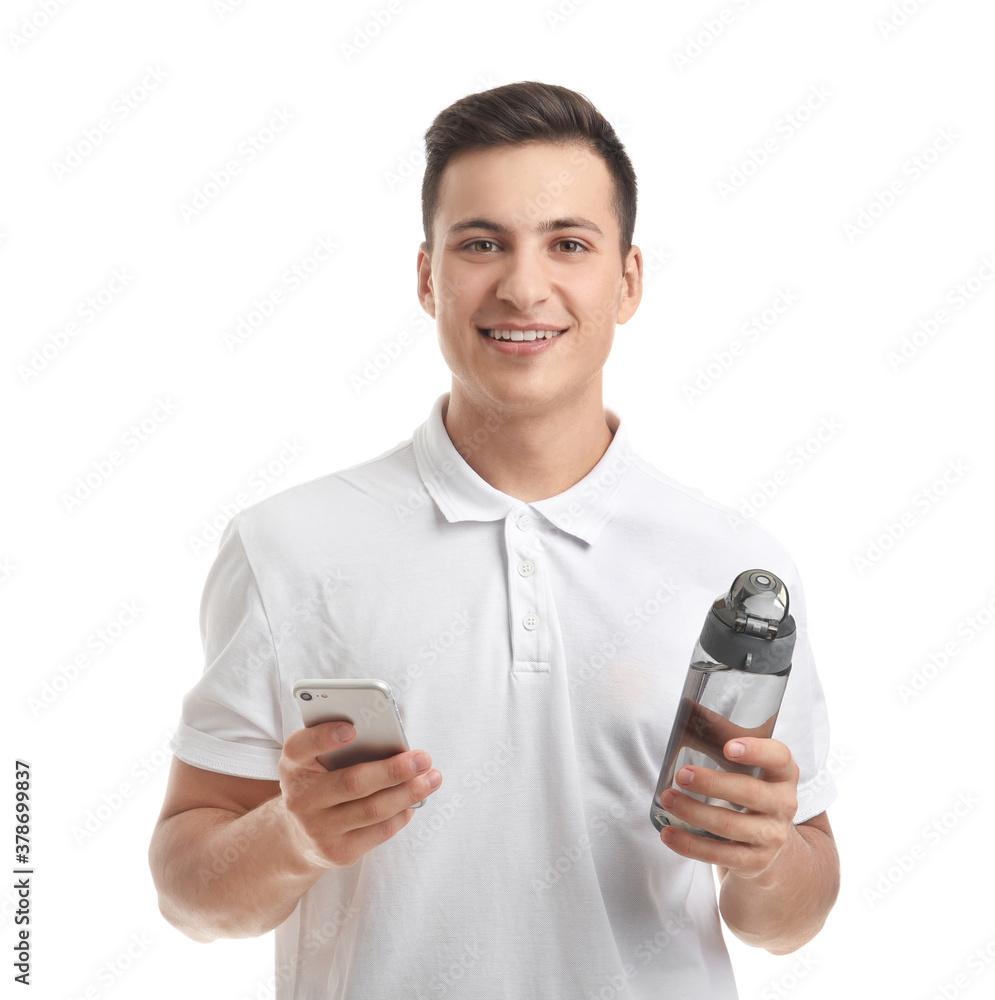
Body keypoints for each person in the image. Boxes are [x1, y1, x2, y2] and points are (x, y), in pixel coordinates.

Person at [149, 81, 839, 999]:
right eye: (481, 244)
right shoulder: (287, 546)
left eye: (568, 244)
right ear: (428, 275)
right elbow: (191, 898)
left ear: (626, 279)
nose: (522, 285)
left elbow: (790, 922)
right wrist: (293, 835)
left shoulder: (732, 567)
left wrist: (761, 860)